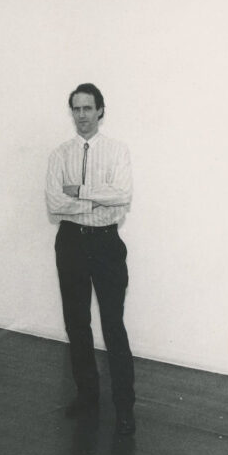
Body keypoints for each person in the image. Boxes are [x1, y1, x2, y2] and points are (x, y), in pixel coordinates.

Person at [45, 83, 136, 436]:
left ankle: (125, 407)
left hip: (106, 244)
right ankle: (87, 395)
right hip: (70, 243)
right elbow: (55, 204)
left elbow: (123, 196)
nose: (82, 115)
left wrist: (80, 192)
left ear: (101, 110)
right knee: (77, 323)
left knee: (113, 326)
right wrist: (101, 199)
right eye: (76, 109)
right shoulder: (59, 155)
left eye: (88, 108)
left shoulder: (117, 151)